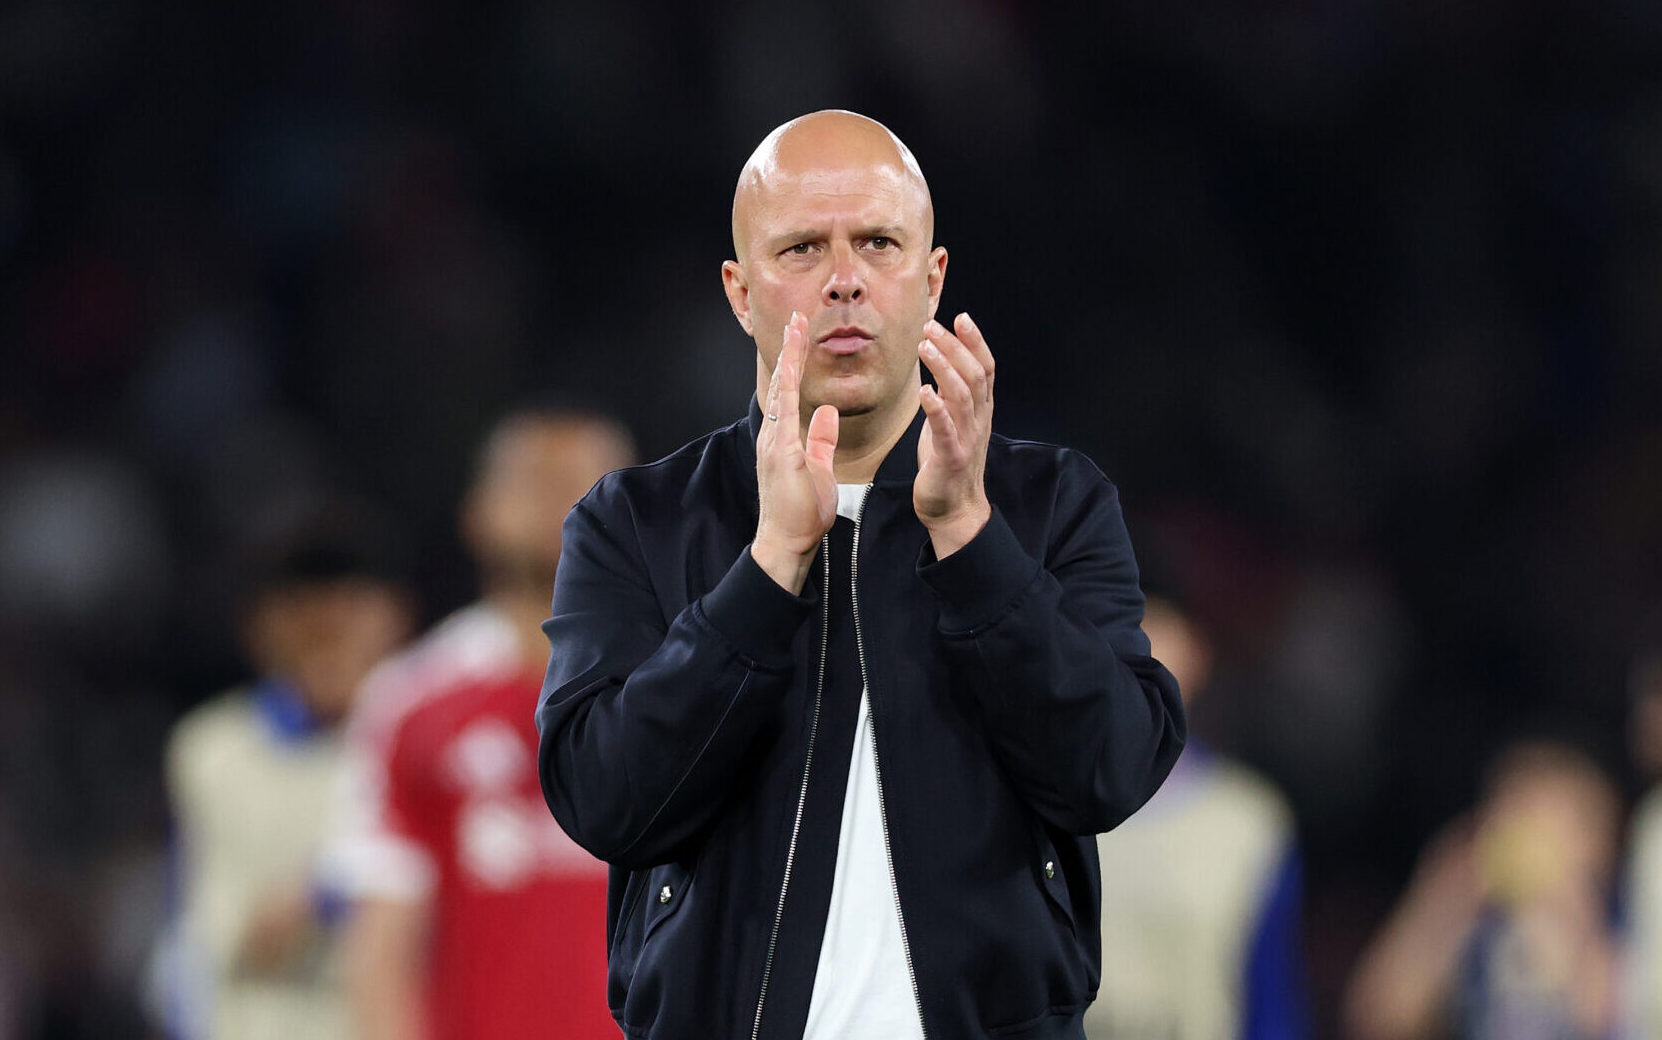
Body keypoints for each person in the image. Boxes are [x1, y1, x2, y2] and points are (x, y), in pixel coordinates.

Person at [536, 109, 1186, 1040]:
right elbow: (603, 798)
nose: (845, 280)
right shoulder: (637, 522)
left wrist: (969, 534)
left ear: (932, 280)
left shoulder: (1051, 504)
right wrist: (767, 570)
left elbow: (1111, 773)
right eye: (801, 248)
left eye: (877, 242)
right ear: (739, 292)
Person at [326, 409, 635, 1040]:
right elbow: (381, 948)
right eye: (530, 479)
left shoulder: (696, 686)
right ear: (477, 514)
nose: (558, 495)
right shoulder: (411, 702)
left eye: (581, 477)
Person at [162, 515, 413, 1040]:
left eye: (347, 609)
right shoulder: (214, 753)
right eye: (303, 613)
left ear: (394, 616)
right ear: (258, 628)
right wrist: (341, 883)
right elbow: (246, 940)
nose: (327, 631)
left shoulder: (437, 737)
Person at [1087, 595, 1309, 1040]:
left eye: (1154, 625)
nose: (1130, 650)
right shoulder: (1029, 799)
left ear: (1197, 652)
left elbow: (1270, 997)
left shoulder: (1248, 823)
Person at [1343, 738, 1622, 1040]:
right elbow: (1378, 1017)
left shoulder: (1617, 921)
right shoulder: (1480, 928)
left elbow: (1614, 1018)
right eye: (1518, 814)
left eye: (1555, 825)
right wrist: (1441, 902)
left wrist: (1572, 916)